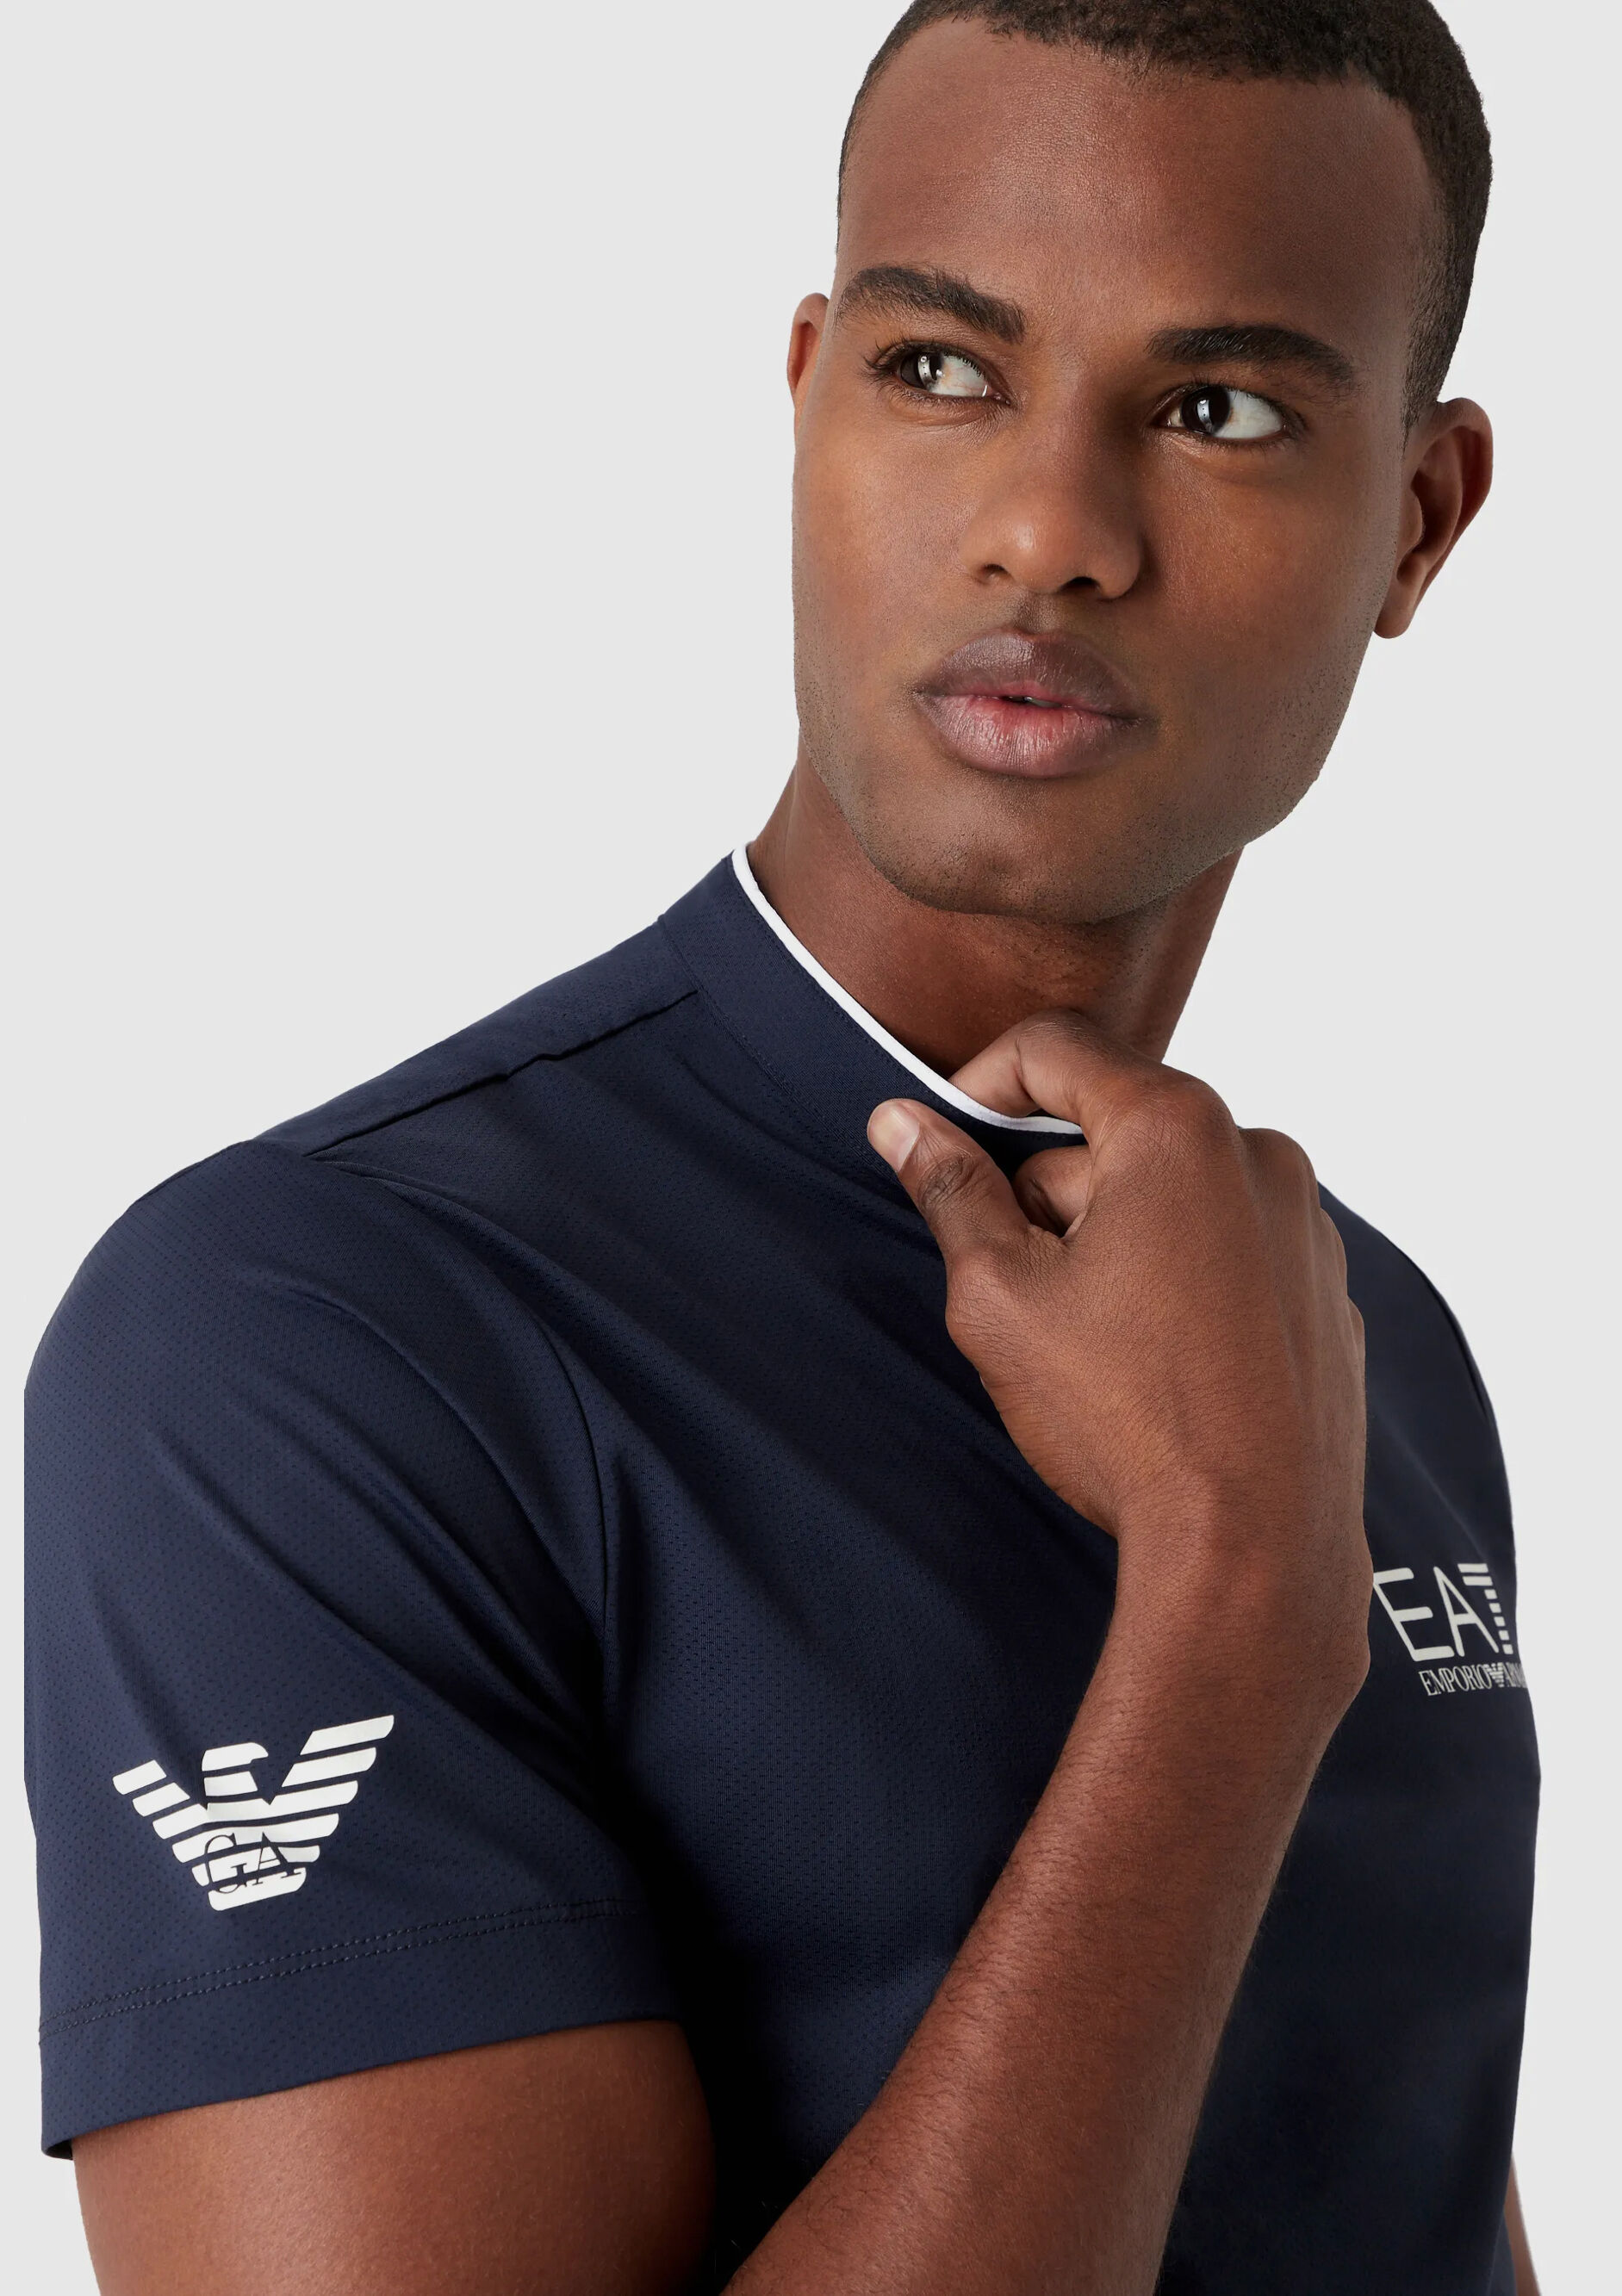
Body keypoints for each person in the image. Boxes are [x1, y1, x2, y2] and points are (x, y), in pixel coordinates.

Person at [25, 3, 1544, 2290]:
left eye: (1218, 409)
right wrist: (1230, 1614)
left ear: (1416, 521)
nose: (1049, 531)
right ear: (811, 391)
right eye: (942, 369)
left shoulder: (1357, 1341)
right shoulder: (311, 1340)